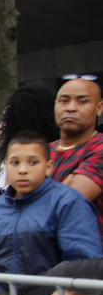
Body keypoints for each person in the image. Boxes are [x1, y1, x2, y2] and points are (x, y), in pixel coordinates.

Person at [0, 131, 102, 290]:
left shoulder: (68, 203)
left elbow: (84, 267)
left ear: (48, 167)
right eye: (15, 163)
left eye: (33, 162)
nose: (23, 170)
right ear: (6, 166)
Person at [50, 76, 103, 235]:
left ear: (99, 108)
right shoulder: (42, 150)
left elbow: (66, 205)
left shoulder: (99, 147)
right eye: (64, 101)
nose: (71, 108)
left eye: (82, 101)